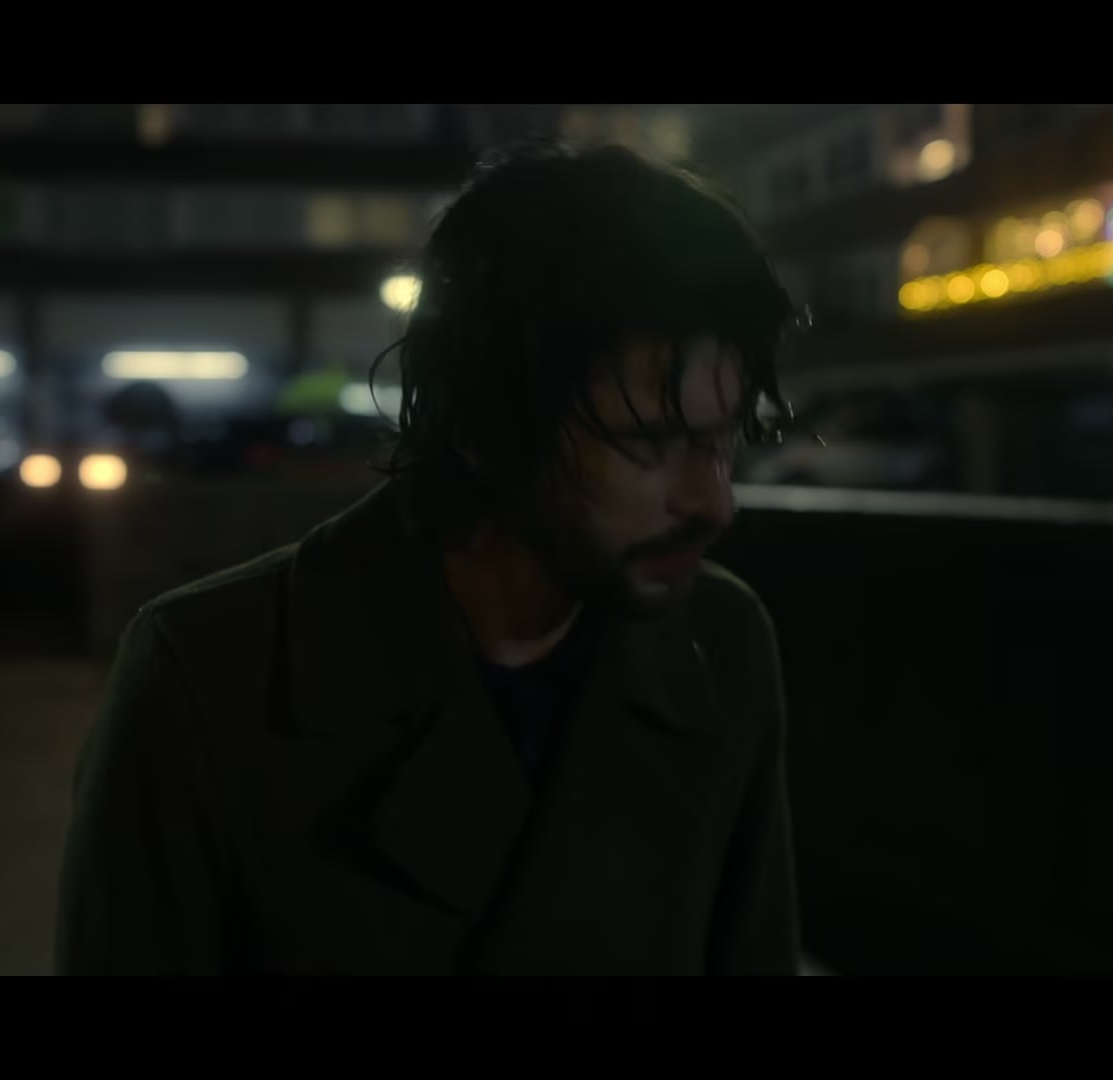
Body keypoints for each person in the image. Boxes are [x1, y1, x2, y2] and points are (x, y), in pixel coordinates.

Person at [56, 142, 803, 975]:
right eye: (650, 442)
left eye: (726, 439)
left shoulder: (721, 645)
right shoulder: (207, 676)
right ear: (485, 424)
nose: (714, 502)